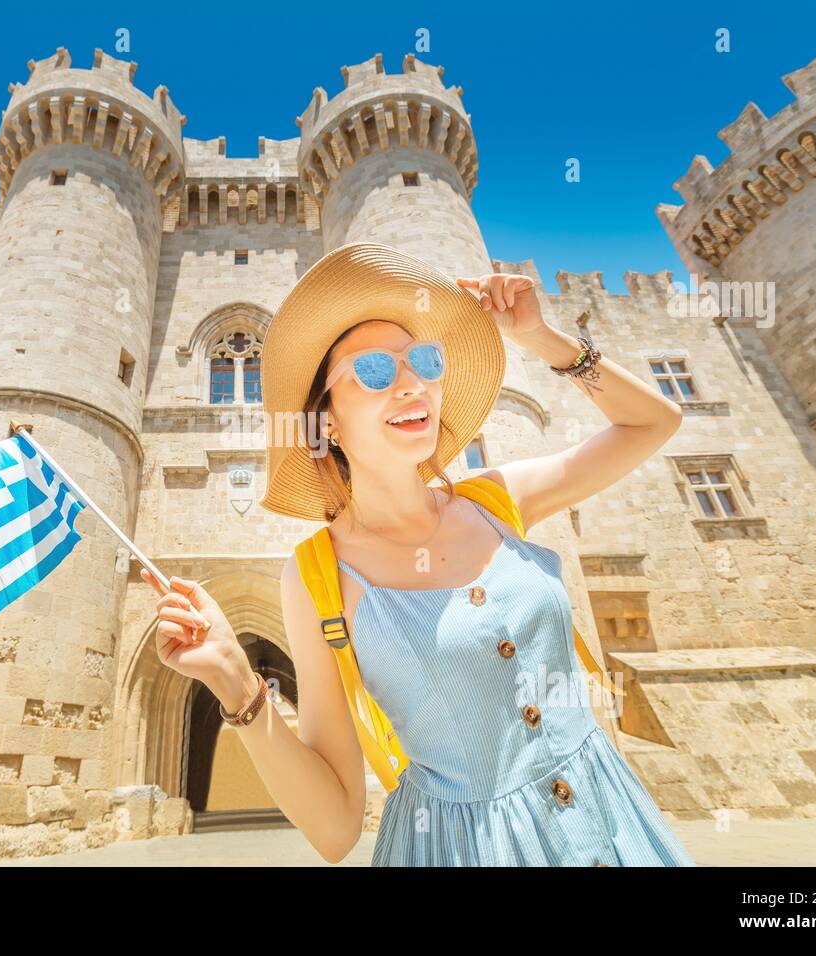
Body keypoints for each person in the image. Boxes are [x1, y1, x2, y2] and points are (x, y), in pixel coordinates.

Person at [141, 242, 696, 866]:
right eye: (375, 371)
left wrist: (541, 338)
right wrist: (237, 683)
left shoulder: (499, 501)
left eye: (425, 362)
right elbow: (335, 831)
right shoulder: (319, 577)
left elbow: (653, 424)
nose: (411, 383)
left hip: (615, 829)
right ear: (327, 422)